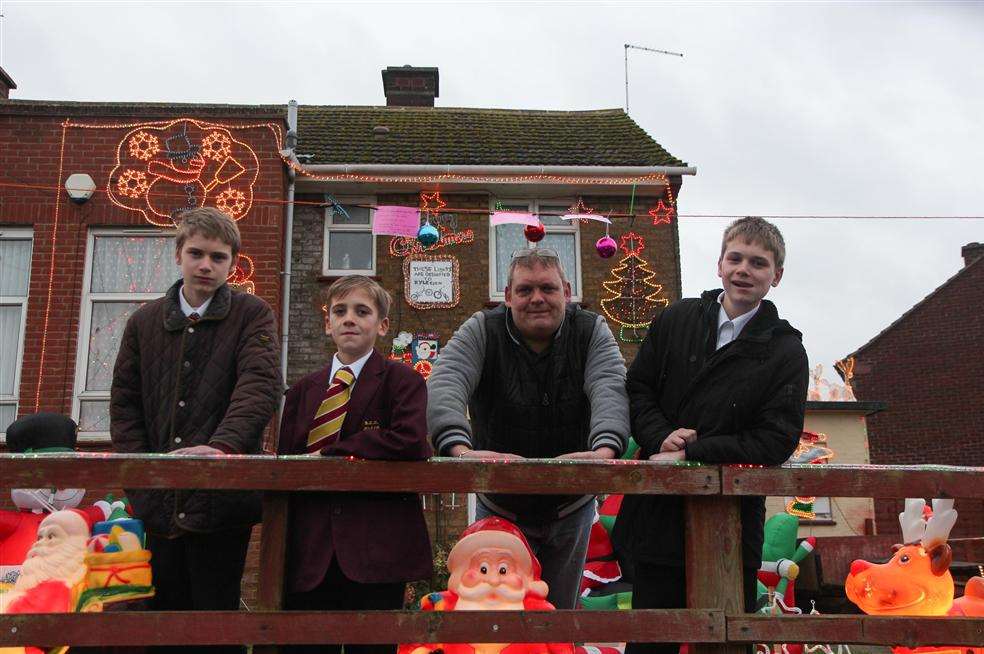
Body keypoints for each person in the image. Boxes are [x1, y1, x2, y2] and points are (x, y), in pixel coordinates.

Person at [612, 216, 809, 654]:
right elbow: (638, 388)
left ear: (775, 276)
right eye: (735, 258)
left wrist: (693, 453)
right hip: (660, 513)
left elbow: (776, 439)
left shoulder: (785, 351)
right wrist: (661, 436)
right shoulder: (675, 319)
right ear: (719, 264)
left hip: (733, 522)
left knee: (724, 643)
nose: (744, 269)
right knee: (650, 643)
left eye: (758, 263)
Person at [110, 206, 281, 654]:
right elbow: (124, 406)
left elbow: (259, 387)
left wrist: (221, 450)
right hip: (157, 503)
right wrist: (141, 481)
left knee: (215, 627)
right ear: (179, 255)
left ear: (232, 262)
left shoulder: (252, 315)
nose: (206, 265)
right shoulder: (143, 323)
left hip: (222, 501)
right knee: (161, 626)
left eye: (218, 257)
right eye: (197, 253)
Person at [427, 248, 630, 610]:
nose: (537, 298)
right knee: (495, 618)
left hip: (570, 506)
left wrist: (604, 451)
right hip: (500, 507)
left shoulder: (591, 331)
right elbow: (446, 380)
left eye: (548, 289)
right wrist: (459, 448)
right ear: (507, 296)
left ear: (567, 293)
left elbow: (610, 385)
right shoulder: (482, 329)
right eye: (525, 290)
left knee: (559, 618)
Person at [278, 275, 433, 654]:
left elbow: (411, 441)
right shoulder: (302, 391)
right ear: (327, 323)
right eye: (340, 311)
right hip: (310, 551)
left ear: (381, 325)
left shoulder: (403, 382)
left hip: (376, 551)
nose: (350, 319)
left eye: (362, 311)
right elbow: (286, 461)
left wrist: (333, 452)